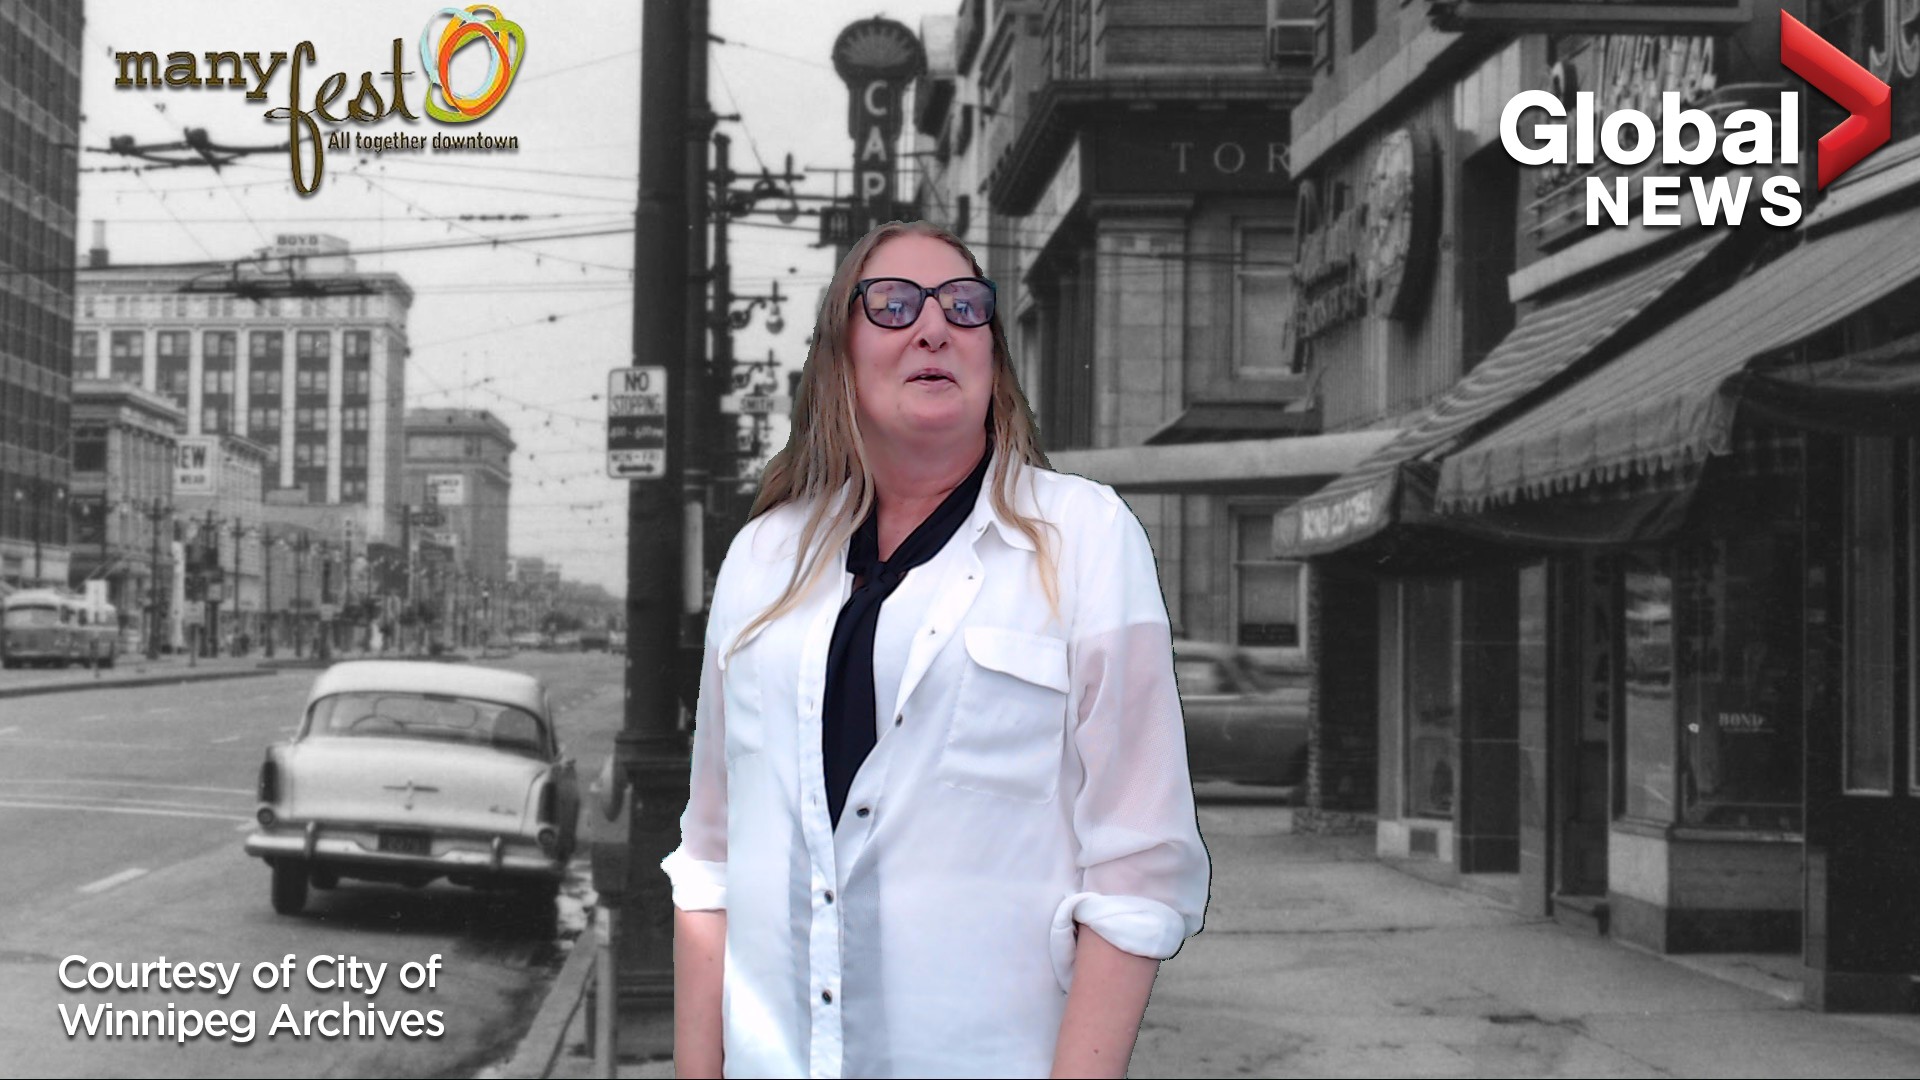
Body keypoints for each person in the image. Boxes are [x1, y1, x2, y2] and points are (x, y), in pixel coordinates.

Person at [663, 220, 1209, 1079]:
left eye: (963, 305)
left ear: (993, 354)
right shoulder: (762, 560)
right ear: (839, 353)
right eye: (893, 305)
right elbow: (711, 856)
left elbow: (1138, 871)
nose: (933, 326)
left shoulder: (1087, 537)